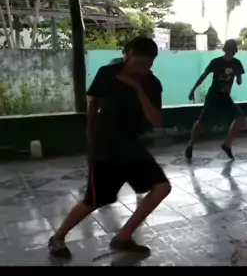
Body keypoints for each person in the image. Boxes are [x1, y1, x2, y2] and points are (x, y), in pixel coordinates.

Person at [48, 36, 171, 259]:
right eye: (140, 61)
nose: (144, 67)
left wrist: (137, 87)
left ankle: (123, 237)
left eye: (149, 63)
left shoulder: (152, 84)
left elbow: (155, 120)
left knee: (161, 187)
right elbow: (94, 103)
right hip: (106, 149)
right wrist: (90, 132)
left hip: (132, 148)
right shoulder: (107, 73)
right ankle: (57, 237)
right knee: (93, 201)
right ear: (128, 55)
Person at [185, 39, 245, 160]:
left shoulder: (237, 63)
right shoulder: (216, 62)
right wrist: (193, 90)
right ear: (226, 50)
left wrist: (238, 75)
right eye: (230, 50)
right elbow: (203, 76)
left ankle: (227, 145)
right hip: (213, 95)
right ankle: (190, 144)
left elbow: (239, 82)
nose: (232, 52)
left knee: (240, 119)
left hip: (225, 97)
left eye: (233, 50)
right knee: (202, 122)